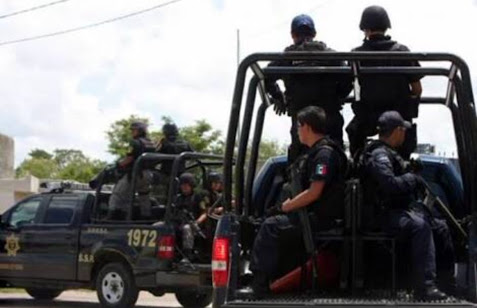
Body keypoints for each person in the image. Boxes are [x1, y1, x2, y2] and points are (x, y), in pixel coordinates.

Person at [250, 106, 348, 296]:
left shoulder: (324, 154)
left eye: (298, 127)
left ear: (307, 127)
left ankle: (260, 285)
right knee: (265, 222)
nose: (297, 131)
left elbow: (314, 192)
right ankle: (274, 277)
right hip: (308, 215)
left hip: (320, 218)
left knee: (271, 226)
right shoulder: (312, 153)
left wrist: (286, 206)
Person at [361, 111, 455, 300]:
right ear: (397, 131)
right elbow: (389, 185)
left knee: (440, 226)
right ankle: (424, 288)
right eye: (403, 130)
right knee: (420, 226)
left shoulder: (390, 153)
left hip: (398, 212)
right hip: (382, 215)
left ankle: (446, 284)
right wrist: (412, 178)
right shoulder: (379, 154)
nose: (405, 134)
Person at [266, 14, 351, 162]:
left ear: (293, 35)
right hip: (330, 124)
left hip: (303, 127)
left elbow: (266, 77)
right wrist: (338, 96)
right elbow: (348, 78)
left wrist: (279, 97)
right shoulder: (330, 56)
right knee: (335, 163)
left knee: (301, 166)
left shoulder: (287, 58)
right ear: (314, 34)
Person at [347, 5, 423, 159]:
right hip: (398, 119)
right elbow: (417, 89)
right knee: (404, 158)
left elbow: (348, 86)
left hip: (368, 119)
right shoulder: (402, 52)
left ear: (365, 29)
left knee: (354, 134)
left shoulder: (357, 55)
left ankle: (357, 165)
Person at [107, 121, 156, 220]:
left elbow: (129, 158)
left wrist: (118, 165)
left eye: (134, 130)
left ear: (139, 131)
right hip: (149, 175)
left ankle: (112, 217)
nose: (132, 132)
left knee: (117, 194)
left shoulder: (135, 142)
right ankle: (146, 218)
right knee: (144, 196)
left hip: (136, 174)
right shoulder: (151, 143)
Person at [154, 123, 194, 203]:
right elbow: (192, 155)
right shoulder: (185, 143)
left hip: (166, 176)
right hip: (181, 176)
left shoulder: (164, 143)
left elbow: (155, 157)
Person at [175, 173, 208, 260]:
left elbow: (204, 213)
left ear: (191, 185)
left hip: (194, 224)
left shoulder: (197, 197)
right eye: (182, 185)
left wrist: (197, 222)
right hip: (179, 222)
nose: (184, 187)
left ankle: (187, 255)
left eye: (186, 185)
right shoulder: (178, 198)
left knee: (187, 228)